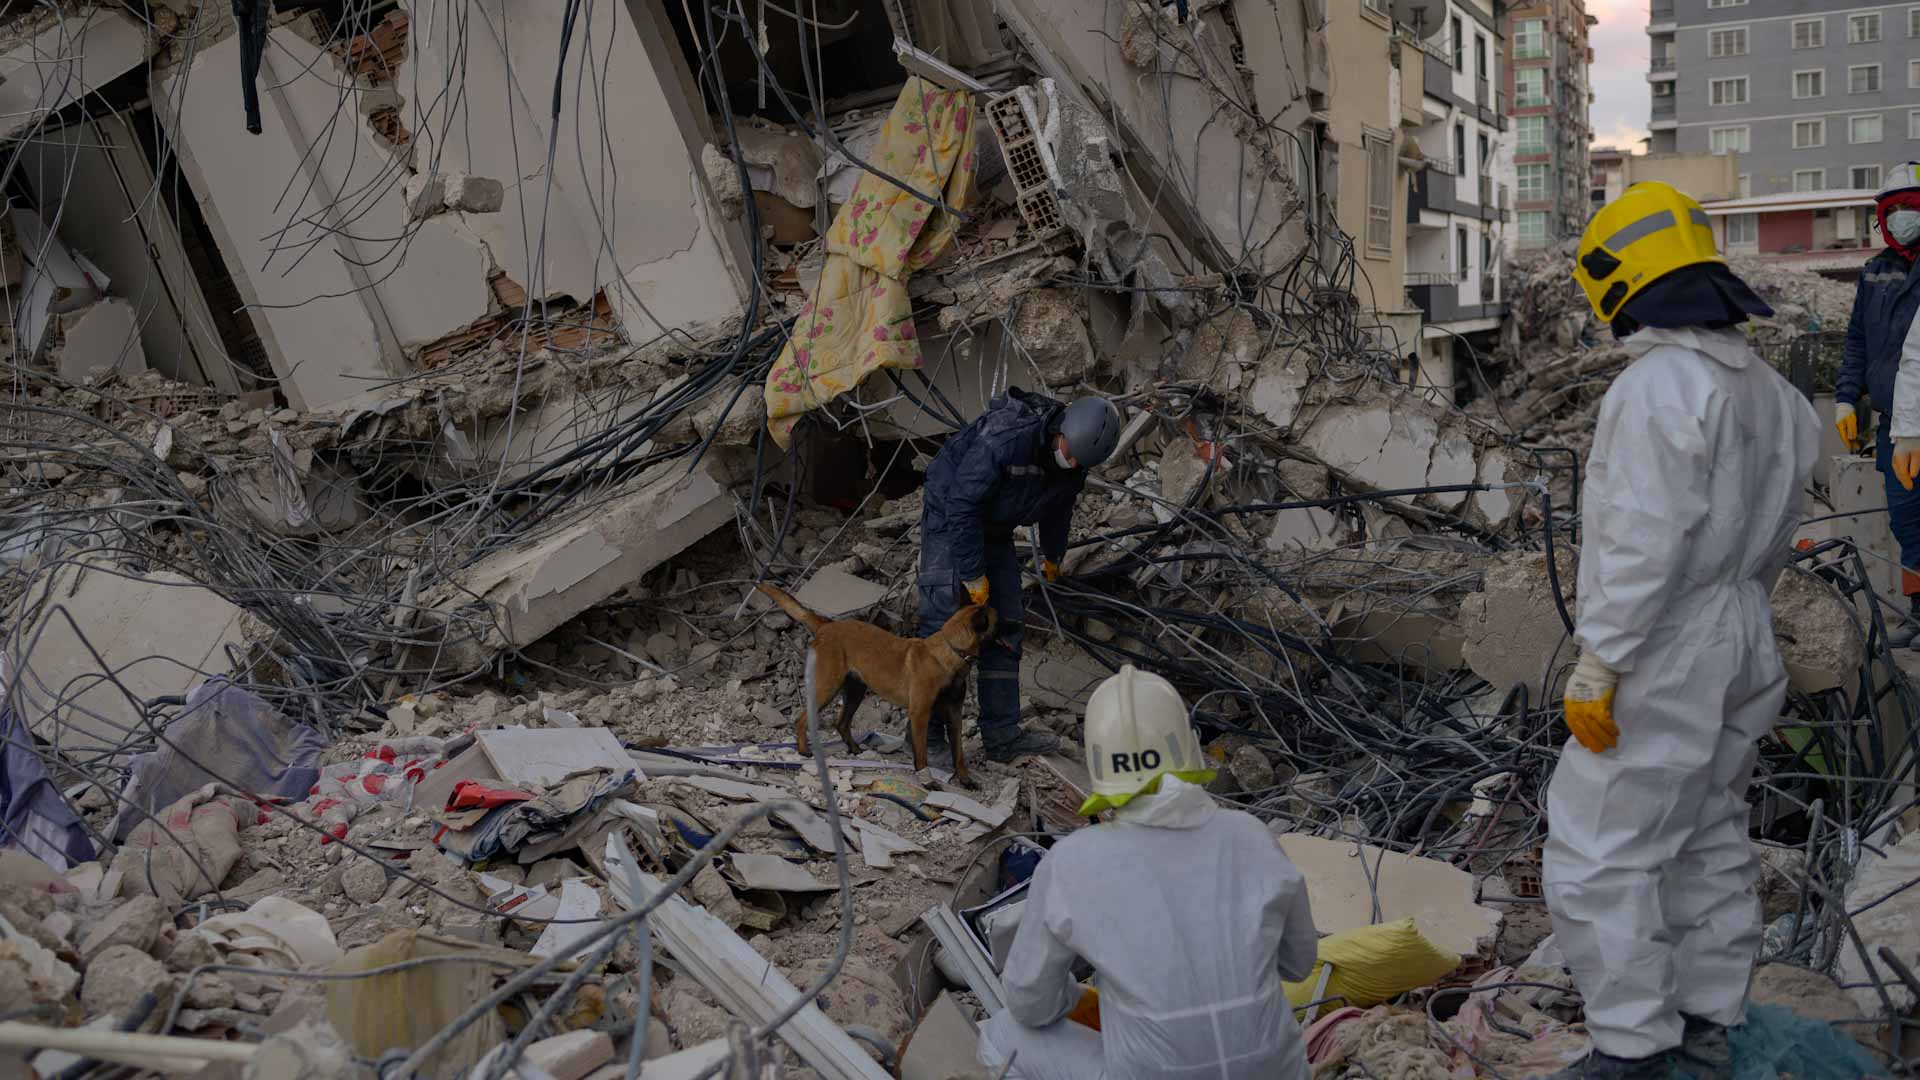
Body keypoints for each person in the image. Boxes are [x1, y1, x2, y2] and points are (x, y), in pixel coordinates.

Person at [1553, 181, 1820, 1078]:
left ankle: (1631, 1047)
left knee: (1601, 845)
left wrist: (1603, 659)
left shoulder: (1657, 387)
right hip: (1744, 624)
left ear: (1623, 279)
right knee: (1710, 828)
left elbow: (1641, 536)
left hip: (1666, 640)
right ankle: (1709, 1017)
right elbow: (1777, 527)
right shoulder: (1774, 393)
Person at [977, 665, 1319, 1080]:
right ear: (1188, 750)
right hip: (1278, 1074)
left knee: (1002, 1033)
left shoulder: (1073, 861)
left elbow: (1030, 1003)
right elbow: (1299, 964)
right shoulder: (1250, 835)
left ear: (1098, 769)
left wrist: (1082, 1000)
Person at [918, 389, 1122, 763]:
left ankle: (1002, 736)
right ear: (1062, 430)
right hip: (951, 514)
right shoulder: (1006, 438)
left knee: (1006, 623)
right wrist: (972, 573)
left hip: (996, 523)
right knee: (942, 624)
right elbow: (962, 506)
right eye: (1070, 452)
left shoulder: (1075, 462)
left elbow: (1059, 508)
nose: (1072, 461)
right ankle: (927, 738)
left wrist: (1054, 553)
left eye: (1080, 462)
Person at [1835, 162, 1920, 643]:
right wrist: (1847, 399)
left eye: (1912, 207)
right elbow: (1857, 343)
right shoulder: (1875, 274)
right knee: (1907, 519)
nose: (1903, 217)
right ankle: (1919, 610)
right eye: (1895, 210)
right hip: (1893, 424)